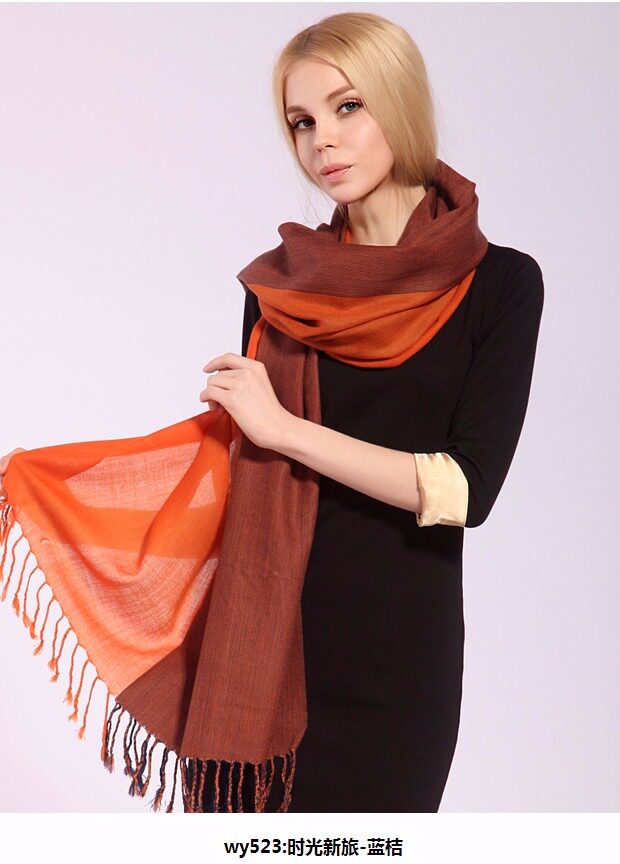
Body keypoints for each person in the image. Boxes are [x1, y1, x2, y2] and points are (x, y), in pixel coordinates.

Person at [1, 12, 544, 813]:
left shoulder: (500, 284)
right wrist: (52, 488)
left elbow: (465, 490)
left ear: (400, 102)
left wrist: (286, 430)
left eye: (347, 107)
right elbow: (241, 475)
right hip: (261, 655)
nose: (323, 140)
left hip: (398, 675)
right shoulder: (279, 292)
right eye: (302, 122)